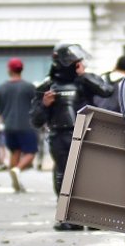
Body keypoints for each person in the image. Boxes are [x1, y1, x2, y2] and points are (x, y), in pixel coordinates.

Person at [30, 43, 114, 230]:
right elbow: (36, 120)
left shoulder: (84, 82)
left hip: (86, 132)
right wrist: (44, 104)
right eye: (76, 62)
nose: (79, 65)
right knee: (63, 175)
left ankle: (93, 218)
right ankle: (69, 218)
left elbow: (107, 90)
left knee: (91, 174)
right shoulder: (47, 87)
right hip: (60, 135)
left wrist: (84, 75)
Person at [0, 57, 37, 193]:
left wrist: (0, 122)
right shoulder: (29, 87)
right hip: (26, 125)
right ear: (22, 69)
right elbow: (36, 105)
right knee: (31, 152)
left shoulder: (1, 88)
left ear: (9, 70)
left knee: (15, 151)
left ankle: (16, 182)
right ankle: (17, 170)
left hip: (9, 126)